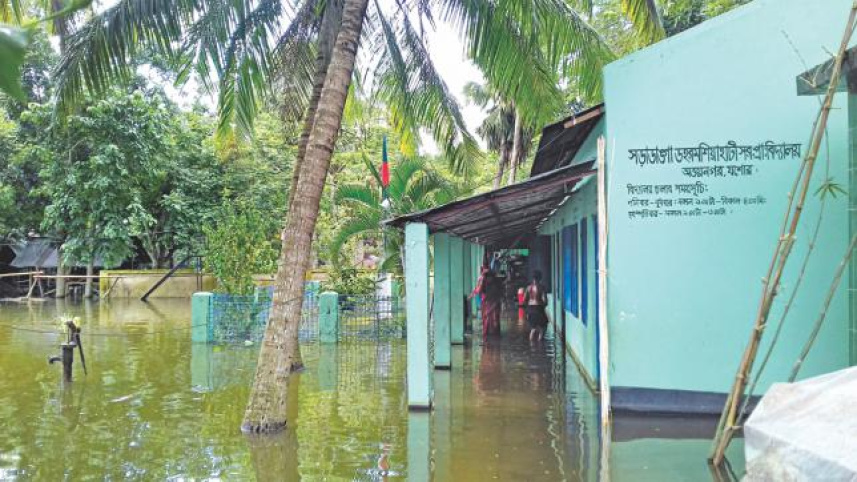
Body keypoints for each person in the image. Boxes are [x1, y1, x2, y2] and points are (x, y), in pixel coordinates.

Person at [526, 271, 549, 342]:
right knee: (543, 328)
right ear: (540, 278)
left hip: (530, 309)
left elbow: (524, 300)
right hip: (539, 308)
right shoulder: (541, 287)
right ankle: (540, 344)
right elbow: (545, 300)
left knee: (533, 329)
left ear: (533, 278)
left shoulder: (528, 287)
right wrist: (544, 305)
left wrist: (528, 309)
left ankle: (531, 345)